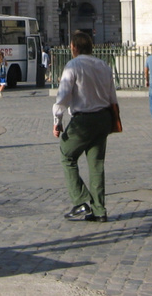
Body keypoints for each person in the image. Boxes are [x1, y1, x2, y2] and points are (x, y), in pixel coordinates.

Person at [52, 30, 118, 223]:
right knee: (96, 164)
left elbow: (62, 97)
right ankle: (99, 210)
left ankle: (81, 200)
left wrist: (57, 121)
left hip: (83, 120)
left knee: (67, 154)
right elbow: (112, 95)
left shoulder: (73, 66)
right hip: (104, 117)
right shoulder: (103, 65)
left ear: (73, 47)